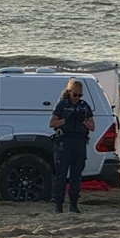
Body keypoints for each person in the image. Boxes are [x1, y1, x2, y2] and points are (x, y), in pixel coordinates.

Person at [49, 78, 95, 213]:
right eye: (75, 94)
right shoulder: (62, 105)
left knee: (76, 174)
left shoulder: (84, 106)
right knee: (61, 174)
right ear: (69, 92)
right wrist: (66, 119)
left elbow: (92, 127)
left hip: (79, 141)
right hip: (64, 140)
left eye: (80, 95)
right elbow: (52, 123)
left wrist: (83, 121)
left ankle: (74, 204)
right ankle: (58, 204)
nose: (77, 97)